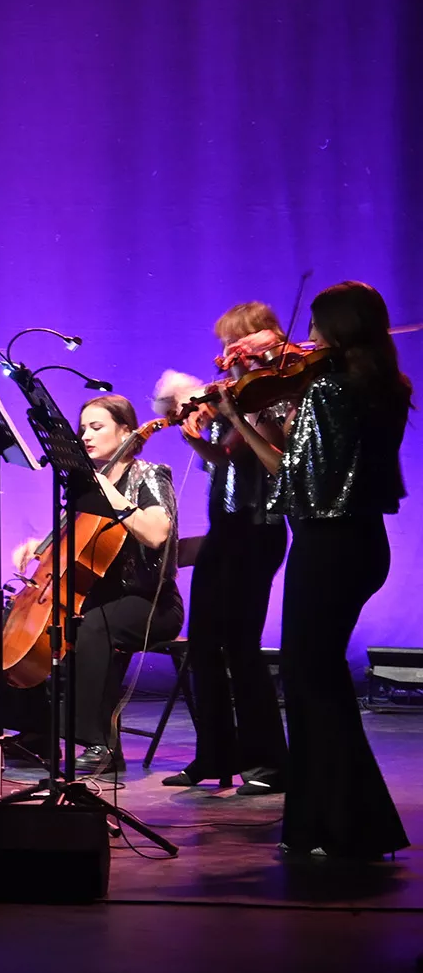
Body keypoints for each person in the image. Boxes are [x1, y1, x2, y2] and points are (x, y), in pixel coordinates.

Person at [221, 280, 410, 860]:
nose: (306, 340)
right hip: (362, 543)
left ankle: (338, 826)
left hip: (327, 544)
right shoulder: (386, 385)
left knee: (311, 682)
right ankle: (347, 822)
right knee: (319, 680)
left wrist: (239, 417)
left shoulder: (329, 387)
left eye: (313, 328)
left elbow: (292, 475)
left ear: (334, 329)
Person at [0, 394, 181, 777]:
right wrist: (40, 547)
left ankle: (100, 745)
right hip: (96, 597)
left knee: (92, 627)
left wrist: (108, 491)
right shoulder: (87, 485)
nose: (86, 436)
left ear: (126, 431)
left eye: (97, 427)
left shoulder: (149, 475)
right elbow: (79, 542)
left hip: (149, 602)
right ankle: (36, 733)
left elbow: (157, 533)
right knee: (23, 624)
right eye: (83, 429)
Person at [160, 302, 290, 792]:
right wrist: (192, 434)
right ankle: (213, 756)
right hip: (225, 531)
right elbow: (222, 459)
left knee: (241, 647)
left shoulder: (275, 396)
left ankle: (267, 763)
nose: (229, 351)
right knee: (203, 646)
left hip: (259, 529)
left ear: (265, 338)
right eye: (225, 344)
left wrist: (238, 408)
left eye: (238, 340)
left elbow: (267, 453)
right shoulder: (232, 396)